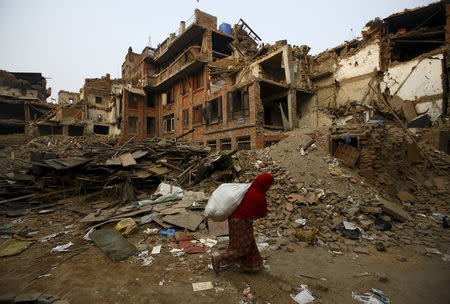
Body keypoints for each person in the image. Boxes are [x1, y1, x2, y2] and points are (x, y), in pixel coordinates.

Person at [212, 173, 273, 273]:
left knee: (249, 243)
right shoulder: (258, 194)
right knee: (242, 247)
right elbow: (262, 212)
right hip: (241, 222)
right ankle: (218, 259)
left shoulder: (248, 189)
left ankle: (251, 266)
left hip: (236, 220)